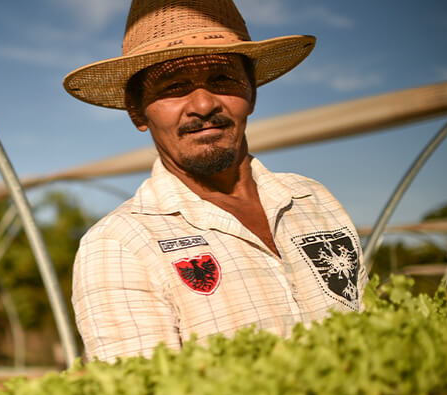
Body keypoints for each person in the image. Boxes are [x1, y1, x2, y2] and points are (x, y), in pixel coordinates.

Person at [63, 0, 367, 362]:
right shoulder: (121, 244)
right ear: (136, 111)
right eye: (174, 86)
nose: (204, 105)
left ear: (250, 93)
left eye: (223, 79)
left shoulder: (312, 200)